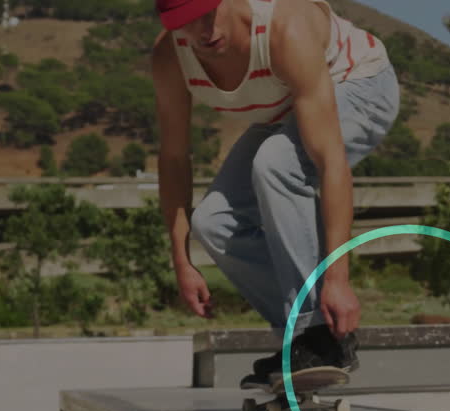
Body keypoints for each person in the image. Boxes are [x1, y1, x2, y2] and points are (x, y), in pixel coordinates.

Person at [152, 0, 399, 389]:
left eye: (207, 14)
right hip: (288, 107)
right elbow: (173, 158)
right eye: (185, 23)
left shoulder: (285, 27)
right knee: (213, 221)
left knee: (276, 163)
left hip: (360, 84)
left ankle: (316, 333)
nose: (203, 31)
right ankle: (304, 338)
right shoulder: (171, 57)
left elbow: (331, 163)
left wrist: (337, 279)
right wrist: (181, 260)